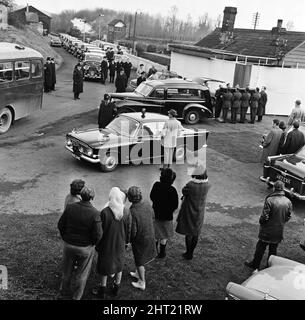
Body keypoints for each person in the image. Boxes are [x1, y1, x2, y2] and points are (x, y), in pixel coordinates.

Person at [57, 187, 102, 300]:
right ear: (92, 197)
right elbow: (98, 234)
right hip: (85, 248)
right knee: (82, 273)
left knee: (67, 270)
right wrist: (92, 244)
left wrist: (65, 238)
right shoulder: (95, 213)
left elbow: (60, 224)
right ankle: (76, 296)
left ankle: (63, 291)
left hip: (69, 245)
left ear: (81, 195)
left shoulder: (70, 207)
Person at [244, 180, 292, 270]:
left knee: (260, 248)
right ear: (283, 189)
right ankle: (270, 267)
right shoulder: (288, 201)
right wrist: (281, 222)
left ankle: (255, 264)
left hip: (267, 230)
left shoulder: (269, 200)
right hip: (279, 230)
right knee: (273, 249)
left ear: (274, 188)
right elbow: (288, 216)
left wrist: (261, 223)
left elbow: (264, 217)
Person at [93, 187, 130, 299]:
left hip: (106, 244)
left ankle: (102, 290)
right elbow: (129, 229)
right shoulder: (126, 211)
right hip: (121, 243)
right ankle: (116, 288)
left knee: (104, 267)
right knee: (119, 265)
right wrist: (127, 243)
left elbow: (100, 231)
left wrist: (97, 244)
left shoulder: (105, 212)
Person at [176, 165, 210, 260]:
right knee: (196, 233)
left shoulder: (191, 185)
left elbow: (184, 191)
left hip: (189, 210)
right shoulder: (207, 185)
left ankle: (188, 252)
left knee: (188, 233)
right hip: (199, 211)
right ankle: (191, 252)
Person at [128, 186, 156, 291]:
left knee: (139, 260)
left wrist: (130, 240)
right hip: (150, 234)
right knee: (141, 258)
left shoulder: (132, 211)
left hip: (140, 240)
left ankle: (142, 282)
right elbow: (153, 216)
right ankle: (137, 273)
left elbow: (133, 230)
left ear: (130, 198)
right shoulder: (147, 204)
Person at [150, 168, 179, 258]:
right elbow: (175, 205)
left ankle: (154, 251)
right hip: (167, 217)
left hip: (156, 214)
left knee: (155, 234)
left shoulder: (156, 185)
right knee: (164, 236)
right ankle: (162, 252)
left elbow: (152, 196)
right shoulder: (172, 190)